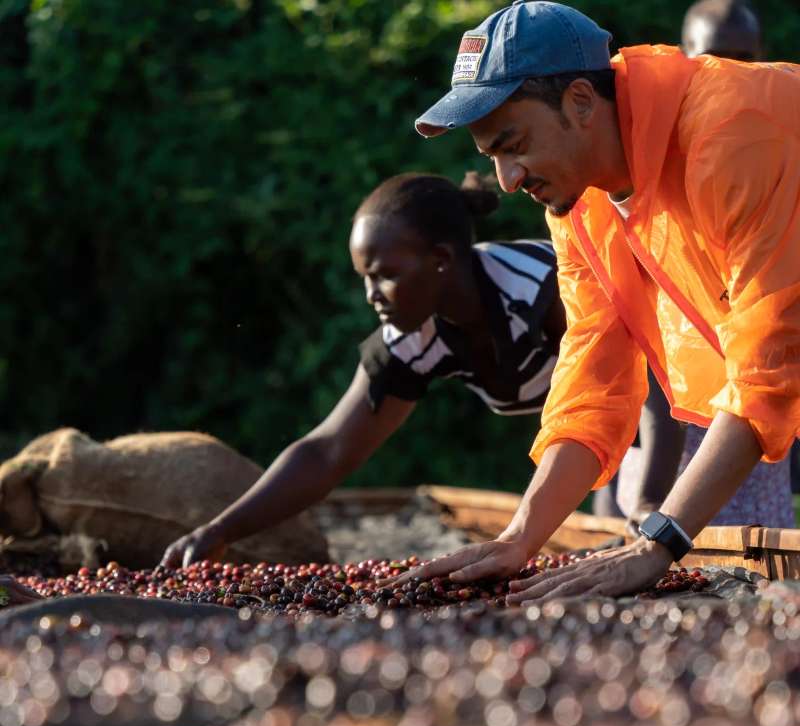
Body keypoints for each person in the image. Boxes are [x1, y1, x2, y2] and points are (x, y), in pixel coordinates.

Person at [390, 1, 800, 601]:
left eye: (515, 143)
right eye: (491, 158)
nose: (506, 179)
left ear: (581, 101)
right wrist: (520, 537)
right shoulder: (578, 198)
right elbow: (593, 371)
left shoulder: (732, 131)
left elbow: (774, 352)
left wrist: (658, 541)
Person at [161, 172, 566, 568]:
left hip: (624, 411)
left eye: (386, 275)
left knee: (627, 515)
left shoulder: (541, 287)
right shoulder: (412, 336)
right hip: (592, 442)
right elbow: (329, 451)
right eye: (365, 278)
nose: (372, 296)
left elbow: (625, 379)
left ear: (441, 260)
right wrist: (219, 531)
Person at [598, 0, 794, 531]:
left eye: (743, 58)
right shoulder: (654, 181)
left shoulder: (770, 157)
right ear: (684, 60)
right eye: (714, 58)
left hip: (753, 425)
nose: (729, 72)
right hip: (677, 444)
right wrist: (653, 510)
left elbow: (776, 348)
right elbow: (657, 350)